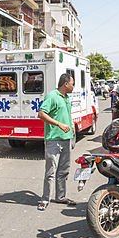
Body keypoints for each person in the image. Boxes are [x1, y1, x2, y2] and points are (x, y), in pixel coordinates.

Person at [37, 73, 75, 210]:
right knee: (51, 171)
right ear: (66, 84)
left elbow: (67, 116)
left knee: (64, 170)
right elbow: (41, 114)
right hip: (54, 140)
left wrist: (72, 128)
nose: (73, 86)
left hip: (67, 139)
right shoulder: (52, 96)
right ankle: (45, 198)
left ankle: (61, 196)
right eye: (72, 83)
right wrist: (59, 124)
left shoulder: (66, 98)